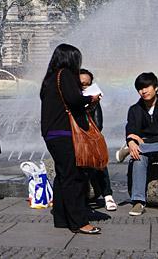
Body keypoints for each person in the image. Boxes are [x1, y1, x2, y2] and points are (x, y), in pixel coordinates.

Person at [40, 44, 101, 235]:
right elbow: (74, 99)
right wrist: (91, 99)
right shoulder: (65, 74)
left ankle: (61, 217)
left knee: (63, 175)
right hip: (64, 133)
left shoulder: (49, 78)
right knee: (73, 177)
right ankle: (79, 222)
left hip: (52, 133)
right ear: (69, 59)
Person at [115, 72, 158, 216]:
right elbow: (131, 131)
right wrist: (131, 142)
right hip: (145, 152)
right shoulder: (135, 109)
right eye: (140, 88)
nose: (143, 91)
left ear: (156, 88)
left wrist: (143, 143)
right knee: (138, 158)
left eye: (147, 87)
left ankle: (136, 149)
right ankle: (138, 202)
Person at [79, 69, 116, 211]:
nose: (84, 87)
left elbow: (98, 124)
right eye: (81, 84)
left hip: (89, 138)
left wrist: (91, 106)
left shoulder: (93, 100)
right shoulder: (70, 98)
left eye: (87, 84)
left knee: (98, 156)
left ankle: (108, 195)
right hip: (73, 140)